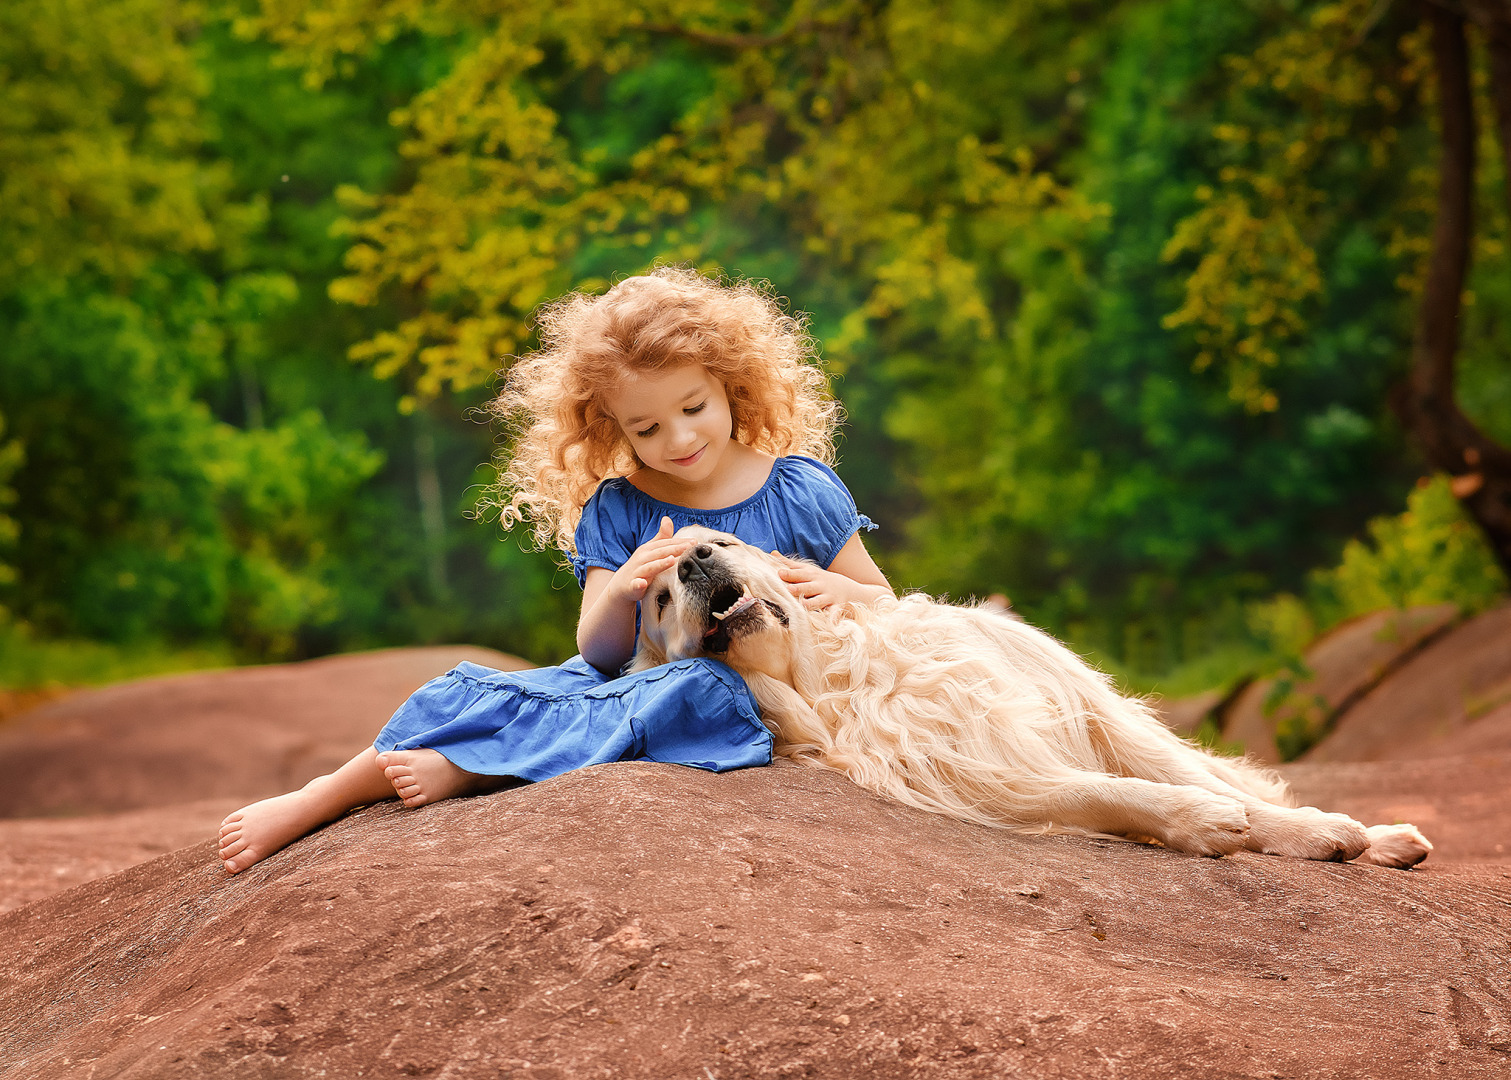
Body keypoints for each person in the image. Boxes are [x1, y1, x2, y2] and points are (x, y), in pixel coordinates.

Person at [217, 267, 892, 874]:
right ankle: (320, 796)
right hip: (637, 683)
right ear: (612, 429)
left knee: (699, 691)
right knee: (481, 695)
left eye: (693, 409)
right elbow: (596, 653)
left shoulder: (799, 487)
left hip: (743, 693)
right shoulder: (621, 507)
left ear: (731, 386)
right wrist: (627, 586)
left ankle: (468, 771)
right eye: (646, 428)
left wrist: (837, 587)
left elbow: (883, 601)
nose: (679, 440)